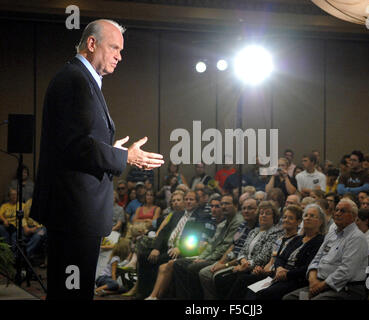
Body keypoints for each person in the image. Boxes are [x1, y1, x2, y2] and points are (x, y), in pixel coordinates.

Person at [30, 19, 164, 300]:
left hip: (77, 212)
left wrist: (110, 148)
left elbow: (80, 141)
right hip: (73, 213)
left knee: (75, 292)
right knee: (72, 292)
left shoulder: (82, 79)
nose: (119, 55)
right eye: (114, 47)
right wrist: (124, 155)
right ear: (92, 44)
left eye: (121, 50)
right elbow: (75, 145)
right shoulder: (74, 80)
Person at [283, 198, 369, 300]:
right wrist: (313, 279)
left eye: (342, 211)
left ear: (354, 216)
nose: (337, 213)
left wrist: (320, 286)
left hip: (345, 289)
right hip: (319, 283)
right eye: (336, 210)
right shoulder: (331, 234)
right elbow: (317, 259)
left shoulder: (357, 238)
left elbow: (346, 271)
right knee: (289, 298)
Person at [171, 195, 244, 300]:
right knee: (178, 264)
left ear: (236, 206)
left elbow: (226, 247)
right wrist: (201, 257)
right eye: (222, 204)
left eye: (226, 204)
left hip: (223, 258)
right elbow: (212, 244)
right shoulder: (224, 223)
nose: (223, 206)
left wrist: (206, 259)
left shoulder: (237, 222)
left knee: (192, 268)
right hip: (212, 256)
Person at [213, 200, 283, 299]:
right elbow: (242, 251)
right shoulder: (254, 231)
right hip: (244, 266)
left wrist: (245, 265)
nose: (263, 215)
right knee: (220, 279)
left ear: (274, 217)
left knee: (238, 280)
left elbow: (263, 257)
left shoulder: (275, 233)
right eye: (261, 213)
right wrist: (242, 262)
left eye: (267, 213)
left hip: (257, 269)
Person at [254, 204, 325, 300]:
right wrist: (279, 268)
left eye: (312, 216)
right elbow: (280, 257)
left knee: (267, 293)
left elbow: (308, 266)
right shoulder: (298, 239)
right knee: (254, 289)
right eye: (306, 215)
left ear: (320, 221)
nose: (308, 218)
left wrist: (287, 274)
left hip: (297, 279)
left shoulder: (320, 241)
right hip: (280, 275)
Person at [198, 197, 259, 299]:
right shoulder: (242, 226)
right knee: (204, 273)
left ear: (257, 210)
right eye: (244, 208)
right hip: (231, 258)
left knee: (218, 277)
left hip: (241, 262)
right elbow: (232, 246)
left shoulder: (257, 229)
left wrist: (224, 265)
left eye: (250, 208)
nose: (246, 211)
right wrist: (221, 263)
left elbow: (244, 254)